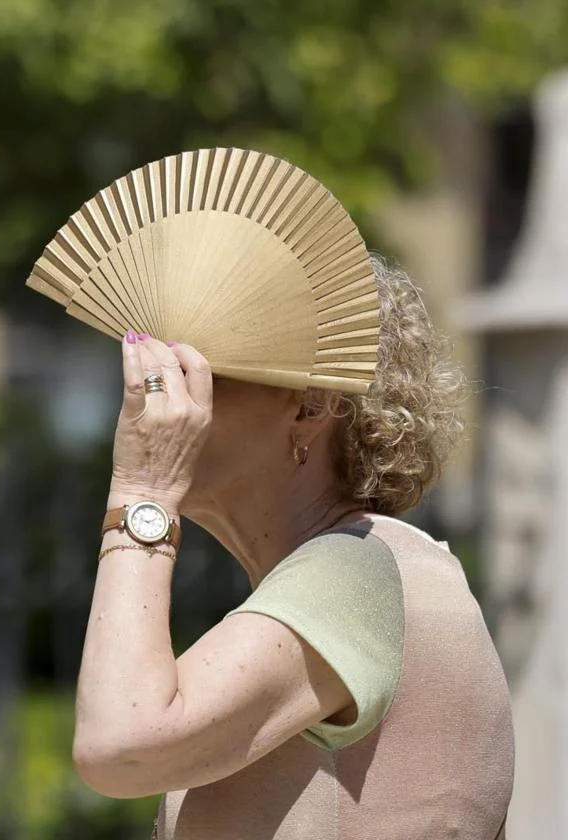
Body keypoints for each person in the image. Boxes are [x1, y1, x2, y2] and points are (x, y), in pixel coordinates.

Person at [72, 255, 514, 839]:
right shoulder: (388, 566)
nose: (159, 394)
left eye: (198, 366)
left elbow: (119, 744)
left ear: (310, 404)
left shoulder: (349, 574)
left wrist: (142, 492)